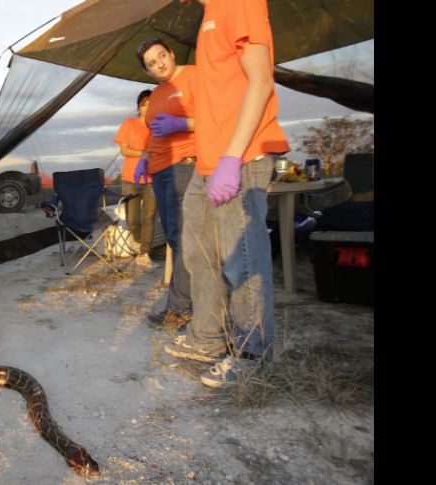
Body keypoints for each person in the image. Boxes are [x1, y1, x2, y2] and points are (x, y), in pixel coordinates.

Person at [165, 0, 291, 387]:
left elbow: (261, 81)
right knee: (199, 253)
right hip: (207, 161)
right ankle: (207, 338)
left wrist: (233, 157)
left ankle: (253, 354)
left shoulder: (241, 2)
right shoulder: (209, 14)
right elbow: (220, 100)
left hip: (241, 154)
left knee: (244, 260)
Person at [134, 37, 197, 329]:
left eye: (161, 56)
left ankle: (182, 310)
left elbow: (218, 115)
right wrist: (144, 156)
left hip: (184, 165)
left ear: (171, 53)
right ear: (147, 72)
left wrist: (182, 125)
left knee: (184, 239)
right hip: (159, 170)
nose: (159, 64)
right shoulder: (158, 93)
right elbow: (153, 132)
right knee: (174, 238)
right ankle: (186, 305)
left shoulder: (194, 75)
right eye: (151, 64)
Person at [113, 89, 157, 267]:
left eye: (151, 104)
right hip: (131, 177)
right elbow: (124, 151)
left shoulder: (156, 127)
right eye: (144, 104)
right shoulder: (128, 124)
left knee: (150, 216)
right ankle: (138, 242)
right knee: (132, 218)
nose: (147, 108)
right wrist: (145, 153)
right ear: (139, 107)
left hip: (153, 178)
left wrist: (144, 154)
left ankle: (145, 252)